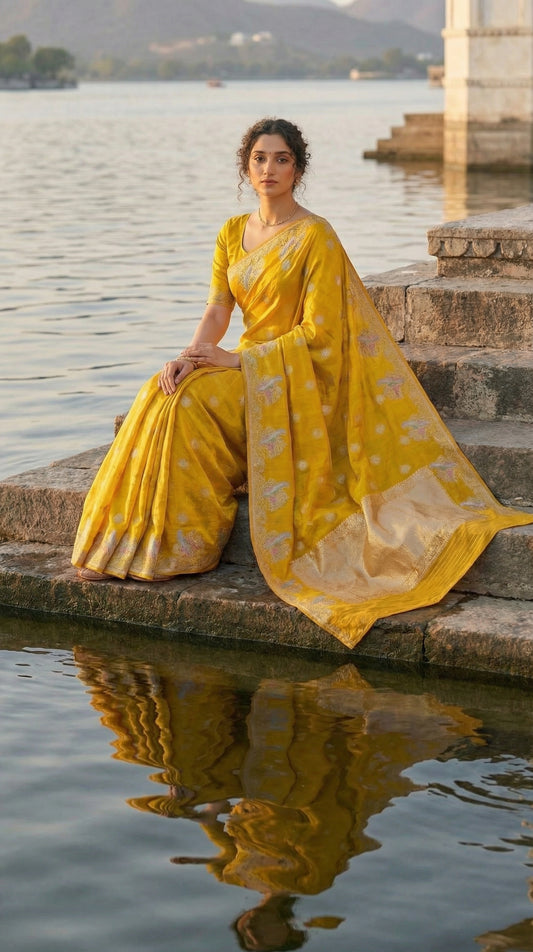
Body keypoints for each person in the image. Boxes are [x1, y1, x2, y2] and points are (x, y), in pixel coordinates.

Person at [72, 117, 533, 648]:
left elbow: (321, 335)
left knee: (190, 408)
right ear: (246, 168)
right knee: (161, 392)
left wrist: (236, 364)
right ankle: (126, 546)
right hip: (243, 363)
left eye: (282, 159)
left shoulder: (315, 235)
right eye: (260, 159)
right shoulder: (230, 232)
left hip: (288, 378)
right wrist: (193, 355)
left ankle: (183, 551)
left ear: (298, 168)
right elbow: (218, 310)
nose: (270, 169)